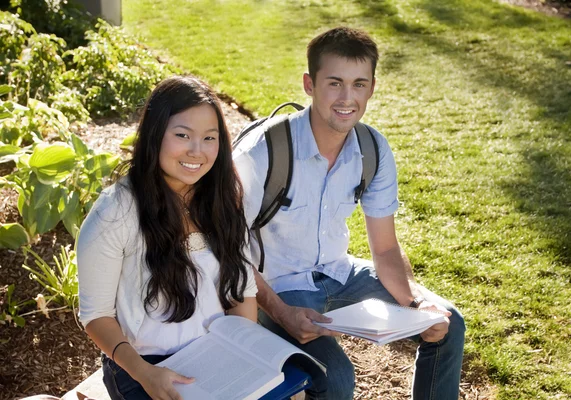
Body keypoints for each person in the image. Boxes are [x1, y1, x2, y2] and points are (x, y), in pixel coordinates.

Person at [233, 27, 465, 400]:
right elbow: (225, 248)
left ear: (372, 88)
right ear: (309, 84)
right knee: (336, 378)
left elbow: (386, 250)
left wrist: (416, 305)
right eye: (334, 83)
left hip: (338, 275)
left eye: (359, 84)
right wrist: (280, 312)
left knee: (446, 322)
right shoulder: (264, 150)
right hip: (273, 288)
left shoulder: (372, 148)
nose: (347, 98)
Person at [77, 76, 258, 400]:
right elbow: (96, 316)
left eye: (209, 138)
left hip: (215, 356)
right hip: (144, 368)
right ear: (155, 134)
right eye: (182, 135)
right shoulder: (116, 211)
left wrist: (243, 360)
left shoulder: (222, 200)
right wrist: (145, 373)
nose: (197, 151)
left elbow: (241, 293)